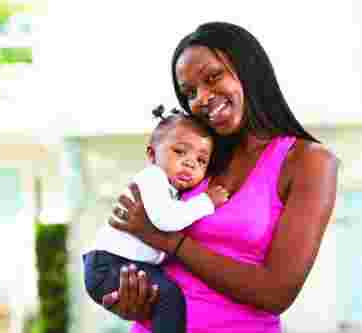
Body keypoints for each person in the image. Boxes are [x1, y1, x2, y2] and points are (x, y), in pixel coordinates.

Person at [102, 22, 339, 333]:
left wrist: (169, 241)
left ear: (249, 69)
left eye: (213, 77)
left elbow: (276, 292)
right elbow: (143, 239)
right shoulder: (196, 157)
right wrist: (132, 297)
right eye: (189, 93)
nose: (201, 98)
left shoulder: (308, 161)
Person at [83, 105, 230, 333]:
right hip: (109, 264)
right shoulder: (153, 178)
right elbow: (166, 221)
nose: (190, 163)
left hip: (119, 263)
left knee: (165, 299)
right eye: (180, 152)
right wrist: (207, 202)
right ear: (152, 155)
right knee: (169, 297)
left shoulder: (170, 189)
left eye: (201, 160)